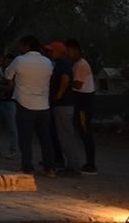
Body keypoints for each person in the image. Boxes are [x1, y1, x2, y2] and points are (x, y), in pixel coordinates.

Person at [4, 35, 56, 176]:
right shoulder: (47, 62)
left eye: (21, 45)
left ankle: (27, 167)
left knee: (25, 138)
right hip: (44, 104)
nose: (20, 48)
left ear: (26, 46)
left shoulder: (20, 60)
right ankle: (49, 167)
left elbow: (8, 74)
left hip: (24, 103)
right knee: (45, 138)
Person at [46, 40, 84, 174]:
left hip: (63, 105)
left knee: (65, 135)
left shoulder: (63, 64)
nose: (49, 52)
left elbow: (66, 78)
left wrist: (59, 94)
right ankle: (71, 164)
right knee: (64, 134)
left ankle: (73, 166)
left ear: (58, 51)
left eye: (51, 50)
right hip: (64, 104)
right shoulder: (62, 63)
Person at [66, 39, 97, 174]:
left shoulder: (81, 65)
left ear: (75, 49)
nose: (67, 54)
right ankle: (89, 163)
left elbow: (78, 84)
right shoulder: (78, 64)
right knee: (84, 132)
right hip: (82, 102)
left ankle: (91, 165)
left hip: (84, 103)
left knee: (85, 133)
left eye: (68, 51)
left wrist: (65, 84)